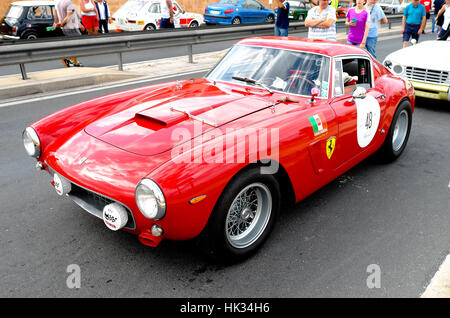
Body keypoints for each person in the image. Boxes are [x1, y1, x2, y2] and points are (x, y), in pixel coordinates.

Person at [53, 0, 83, 67]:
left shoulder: (56, 1)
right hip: (71, 27)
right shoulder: (68, 2)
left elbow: (55, 14)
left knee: (73, 45)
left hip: (65, 28)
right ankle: (67, 58)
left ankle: (75, 62)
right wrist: (62, 24)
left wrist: (55, 23)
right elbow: (68, 16)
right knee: (77, 44)